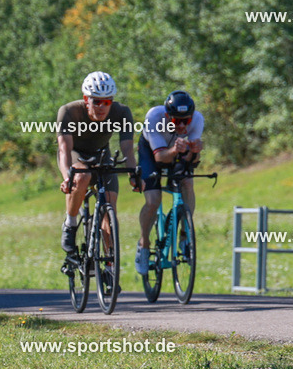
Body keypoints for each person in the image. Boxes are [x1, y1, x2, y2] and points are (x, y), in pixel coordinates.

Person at [58, 71, 138, 255]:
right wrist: (67, 177)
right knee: (82, 176)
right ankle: (70, 224)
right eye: (96, 101)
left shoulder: (122, 112)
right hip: (76, 154)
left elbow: (127, 148)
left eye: (107, 102)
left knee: (110, 204)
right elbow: (64, 149)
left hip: (101, 155)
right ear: (86, 99)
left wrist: (133, 174)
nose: (101, 107)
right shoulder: (69, 111)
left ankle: (110, 263)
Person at [134, 90, 204, 275]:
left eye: (185, 121)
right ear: (167, 116)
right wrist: (174, 150)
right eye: (176, 121)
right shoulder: (154, 117)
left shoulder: (197, 119)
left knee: (187, 183)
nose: (181, 125)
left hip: (176, 149)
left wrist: (195, 151)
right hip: (151, 152)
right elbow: (159, 158)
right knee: (153, 200)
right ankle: (144, 244)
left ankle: (184, 236)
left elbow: (192, 161)